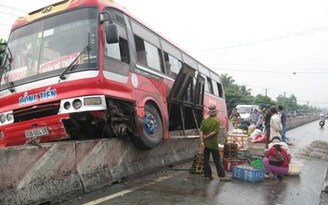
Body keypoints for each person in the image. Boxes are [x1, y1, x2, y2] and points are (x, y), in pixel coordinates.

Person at [199, 104, 230, 181]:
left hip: (205, 143)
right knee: (217, 160)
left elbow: (201, 131)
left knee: (206, 160)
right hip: (213, 144)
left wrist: (202, 141)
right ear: (215, 113)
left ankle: (207, 175)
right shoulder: (216, 121)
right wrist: (206, 137)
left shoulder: (204, 121)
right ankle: (221, 176)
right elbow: (215, 132)